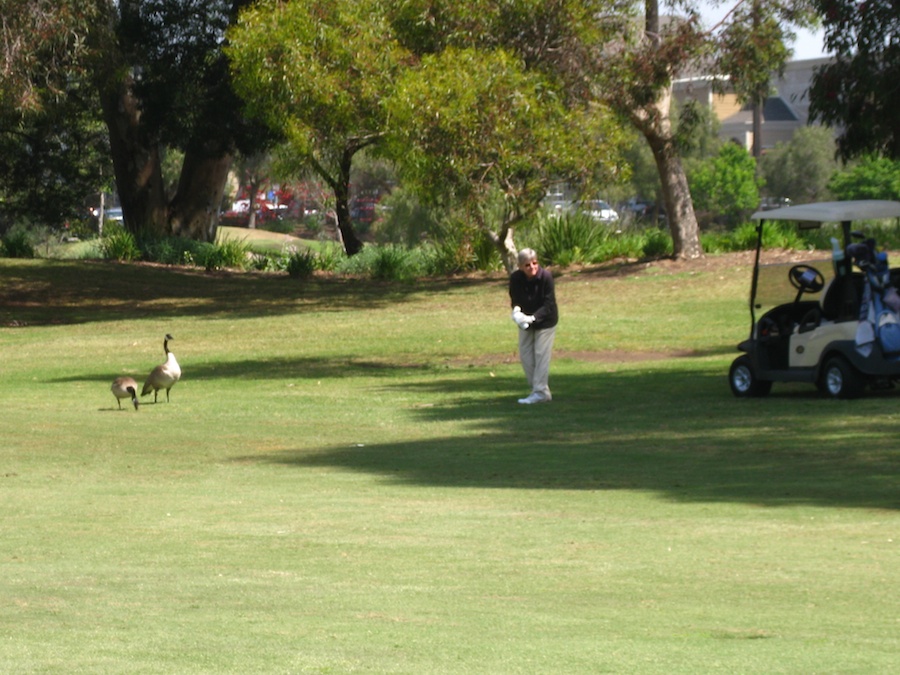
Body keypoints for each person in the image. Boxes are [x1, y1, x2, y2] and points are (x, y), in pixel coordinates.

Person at [508, 248, 558, 404]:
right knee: (526, 355)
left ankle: (540, 392)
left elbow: (548, 304)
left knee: (541, 354)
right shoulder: (516, 278)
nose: (532, 267)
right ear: (521, 267)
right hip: (525, 321)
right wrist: (517, 313)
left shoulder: (546, 277)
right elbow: (515, 298)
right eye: (528, 265)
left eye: (535, 263)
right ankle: (538, 389)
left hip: (545, 321)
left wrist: (533, 318)